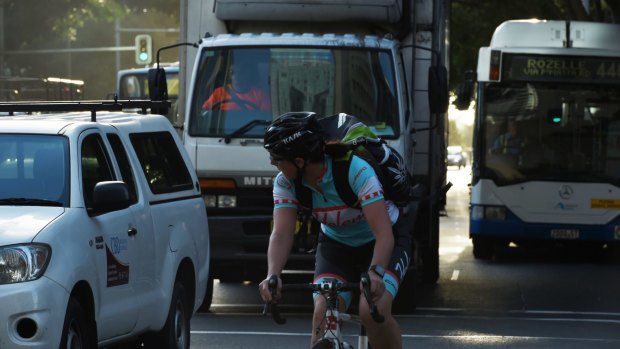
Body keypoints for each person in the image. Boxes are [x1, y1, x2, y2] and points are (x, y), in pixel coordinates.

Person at [258, 112, 410, 349]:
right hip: (337, 245)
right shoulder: (285, 182)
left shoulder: (355, 170)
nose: (275, 164)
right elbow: (281, 233)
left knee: (372, 310)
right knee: (323, 310)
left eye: (277, 159)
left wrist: (376, 273)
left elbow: (383, 235)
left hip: (383, 241)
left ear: (299, 161)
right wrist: (273, 275)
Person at [202, 64, 271, 111]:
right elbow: (205, 112)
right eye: (233, 72)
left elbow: (265, 117)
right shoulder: (219, 92)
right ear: (229, 75)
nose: (236, 76)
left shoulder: (259, 94)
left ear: (248, 75)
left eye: (241, 72)